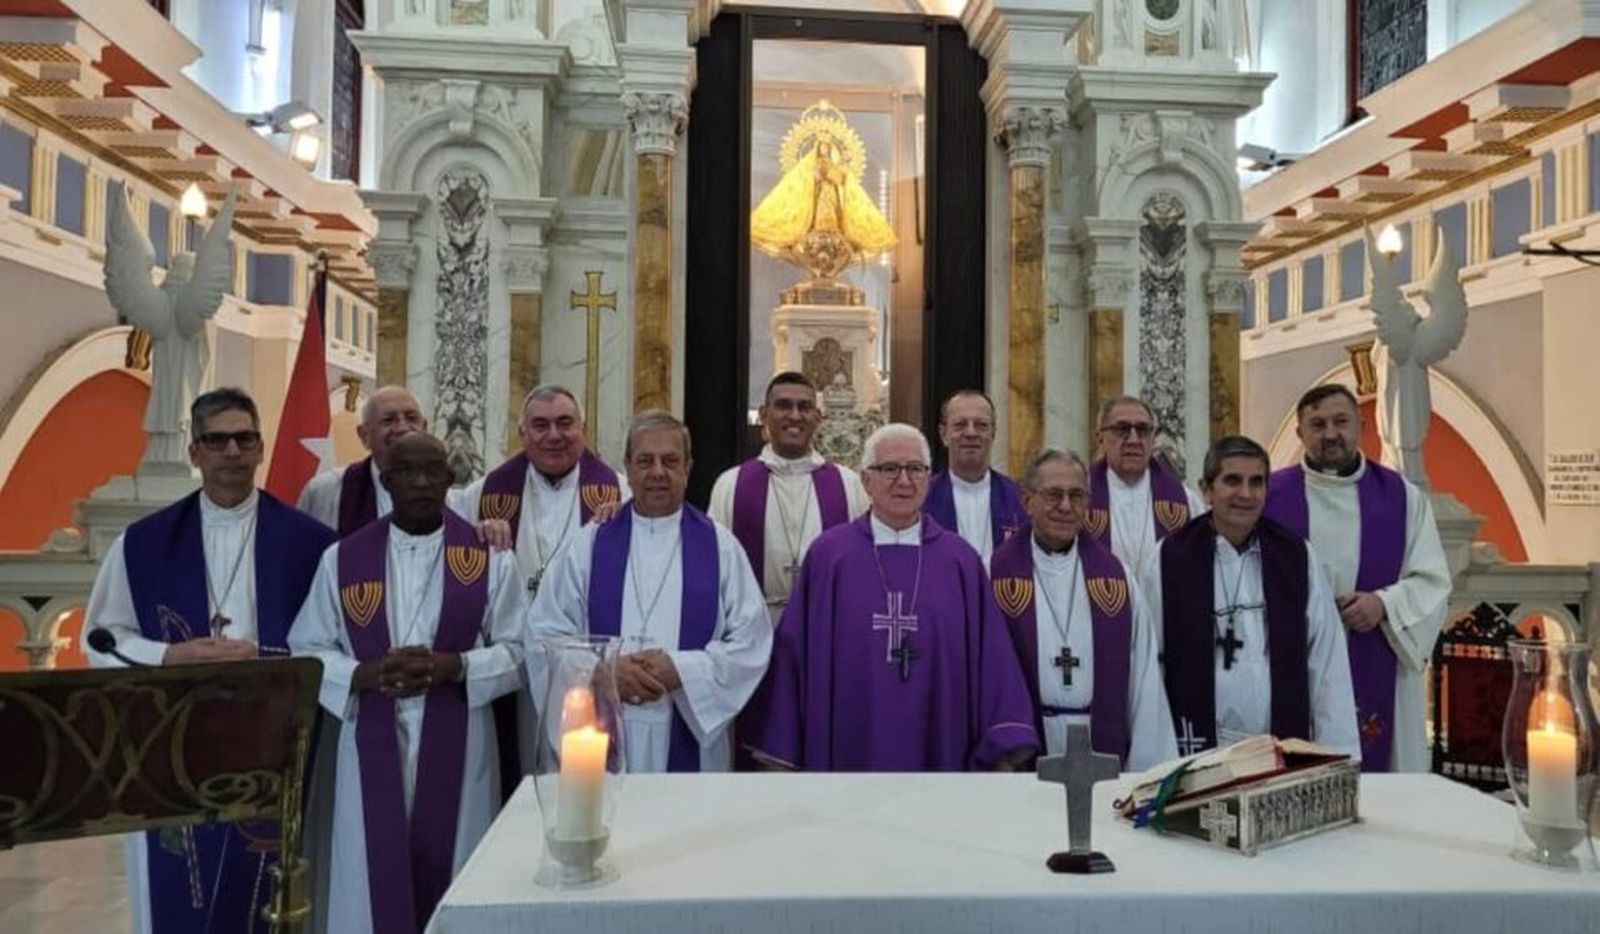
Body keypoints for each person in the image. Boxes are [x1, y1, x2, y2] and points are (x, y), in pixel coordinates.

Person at [83, 387, 335, 934]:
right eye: (217, 441)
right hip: (177, 740)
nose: (232, 452)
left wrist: (265, 658)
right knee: (183, 886)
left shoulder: (311, 543)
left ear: (261, 447)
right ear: (195, 451)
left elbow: (334, 640)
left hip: (274, 739)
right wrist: (172, 654)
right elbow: (102, 637)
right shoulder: (142, 544)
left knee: (272, 886)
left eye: (244, 439)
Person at [288, 433, 525, 934]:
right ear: (386, 480)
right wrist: (363, 674)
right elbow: (307, 648)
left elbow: (521, 652)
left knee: (457, 868)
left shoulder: (488, 558)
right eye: (407, 472)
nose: (421, 483)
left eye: (432, 471)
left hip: (462, 740)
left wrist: (455, 667)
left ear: (450, 478)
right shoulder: (343, 560)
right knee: (370, 875)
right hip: (369, 735)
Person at [745, 423, 1040, 771]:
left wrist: (1004, 735)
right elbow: (794, 655)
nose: (904, 480)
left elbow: (992, 656)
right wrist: (782, 742)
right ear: (866, 480)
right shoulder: (830, 557)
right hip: (848, 751)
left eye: (915, 469)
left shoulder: (959, 560)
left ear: (929, 478)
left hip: (941, 752)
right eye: (889, 469)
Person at [529, 410, 771, 771]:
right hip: (601, 731)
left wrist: (683, 670)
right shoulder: (588, 544)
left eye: (670, 461)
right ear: (627, 468)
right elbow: (544, 634)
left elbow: (752, 642)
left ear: (688, 468)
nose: (658, 472)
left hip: (690, 740)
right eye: (645, 461)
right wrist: (602, 672)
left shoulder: (721, 547)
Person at [1264, 384, 1450, 772]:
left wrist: (1383, 604)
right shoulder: (1269, 495)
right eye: (1317, 424)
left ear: (1360, 426)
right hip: (1291, 656)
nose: (1330, 433)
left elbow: (1433, 581)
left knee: (1378, 776)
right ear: (1300, 434)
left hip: (1374, 649)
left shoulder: (1401, 497)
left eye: (1341, 421)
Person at [450, 384, 626, 785]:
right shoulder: (481, 497)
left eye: (565, 423)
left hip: (580, 664)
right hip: (511, 665)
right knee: (516, 766)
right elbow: (451, 559)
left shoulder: (620, 493)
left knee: (578, 777)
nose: (554, 435)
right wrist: (474, 536)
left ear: (583, 429)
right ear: (522, 433)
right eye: (541, 425)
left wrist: (626, 522)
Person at [1142, 435, 1359, 759]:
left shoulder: (1295, 556)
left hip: (1277, 747)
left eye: (1256, 482)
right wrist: (1154, 757)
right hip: (1194, 749)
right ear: (1206, 489)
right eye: (1232, 481)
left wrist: (1338, 754)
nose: (1245, 494)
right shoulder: (1170, 558)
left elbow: (1327, 660)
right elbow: (1148, 663)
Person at [990, 449, 1177, 770]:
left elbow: (1144, 675)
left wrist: (1145, 771)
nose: (1066, 506)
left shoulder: (1117, 579)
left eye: (1076, 495)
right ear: (1027, 501)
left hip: (1101, 745)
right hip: (1023, 750)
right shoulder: (993, 575)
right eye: (1053, 495)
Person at [708, 371, 869, 619]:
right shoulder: (731, 484)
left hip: (826, 622)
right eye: (783, 406)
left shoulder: (848, 484)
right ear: (764, 415)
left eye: (804, 407)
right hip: (754, 625)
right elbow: (715, 564)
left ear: (818, 417)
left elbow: (863, 562)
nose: (794, 416)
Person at [1084, 395, 1206, 571]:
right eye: (1122, 429)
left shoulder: (1187, 501)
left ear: (1153, 439)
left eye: (1142, 430)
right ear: (1100, 438)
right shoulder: (1079, 497)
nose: (1133, 440)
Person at [924, 389, 1028, 565]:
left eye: (981, 425)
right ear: (943, 434)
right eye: (960, 425)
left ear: (993, 433)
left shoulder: (1020, 499)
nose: (971, 433)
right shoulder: (922, 498)